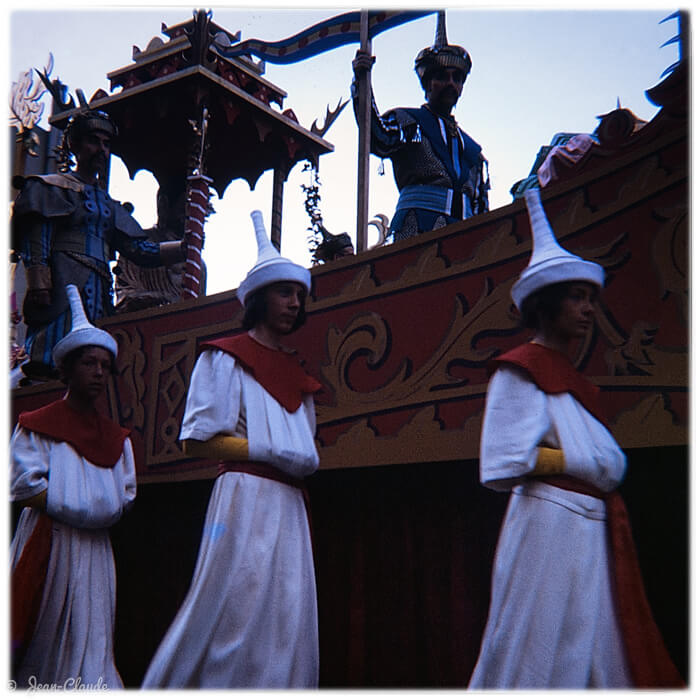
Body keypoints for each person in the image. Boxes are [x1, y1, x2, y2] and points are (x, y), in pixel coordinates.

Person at [468, 188, 683, 689]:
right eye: (577, 298)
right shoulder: (518, 371)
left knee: (593, 651)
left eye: (591, 299)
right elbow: (502, 459)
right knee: (535, 647)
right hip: (546, 526)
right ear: (548, 303)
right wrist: (581, 461)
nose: (589, 310)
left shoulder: (574, 380)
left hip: (591, 530)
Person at [141, 211, 321, 688]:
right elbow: (197, 438)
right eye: (285, 292)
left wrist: (284, 457)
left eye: (299, 295)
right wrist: (274, 451)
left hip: (288, 505)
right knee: (235, 609)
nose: (294, 303)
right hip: (244, 498)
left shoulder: (299, 373)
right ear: (260, 299)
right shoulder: (223, 358)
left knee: (286, 613)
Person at [10, 284, 136, 689]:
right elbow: (23, 485)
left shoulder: (118, 439)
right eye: (88, 364)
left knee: (93, 634)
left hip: (96, 552)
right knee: (44, 638)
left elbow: (125, 495)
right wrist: (84, 507)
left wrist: (93, 510)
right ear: (67, 369)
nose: (98, 373)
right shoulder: (38, 425)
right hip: (52, 542)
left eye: (104, 366)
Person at [11, 109, 186, 380]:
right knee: (54, 355)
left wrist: (183, 248)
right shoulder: (51, 188)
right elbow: (38, 237)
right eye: (93, 141)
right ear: (75, 145)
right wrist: (39, 283)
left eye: (106, 144)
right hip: (63, 283)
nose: (101, 150)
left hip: (98, 291)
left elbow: (139, 250)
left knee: (93, 358)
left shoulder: (108, 205)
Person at [351, 10, 489, 242]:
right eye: (443, 77)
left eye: (457, 78)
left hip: (465, 236)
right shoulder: (409, 122)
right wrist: (362, 81)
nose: (451, 84)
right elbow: (378, 139)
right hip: (417, 229)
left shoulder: (473, 150)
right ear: (427, 83)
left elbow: (481, 209)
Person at [114, 178, 206, 312]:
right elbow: (127, 296)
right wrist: (165, 300)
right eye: (185, 206)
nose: (190, 214)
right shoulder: (138, 244)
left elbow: (199, 309)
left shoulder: (198, 264)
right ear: (163, 205)